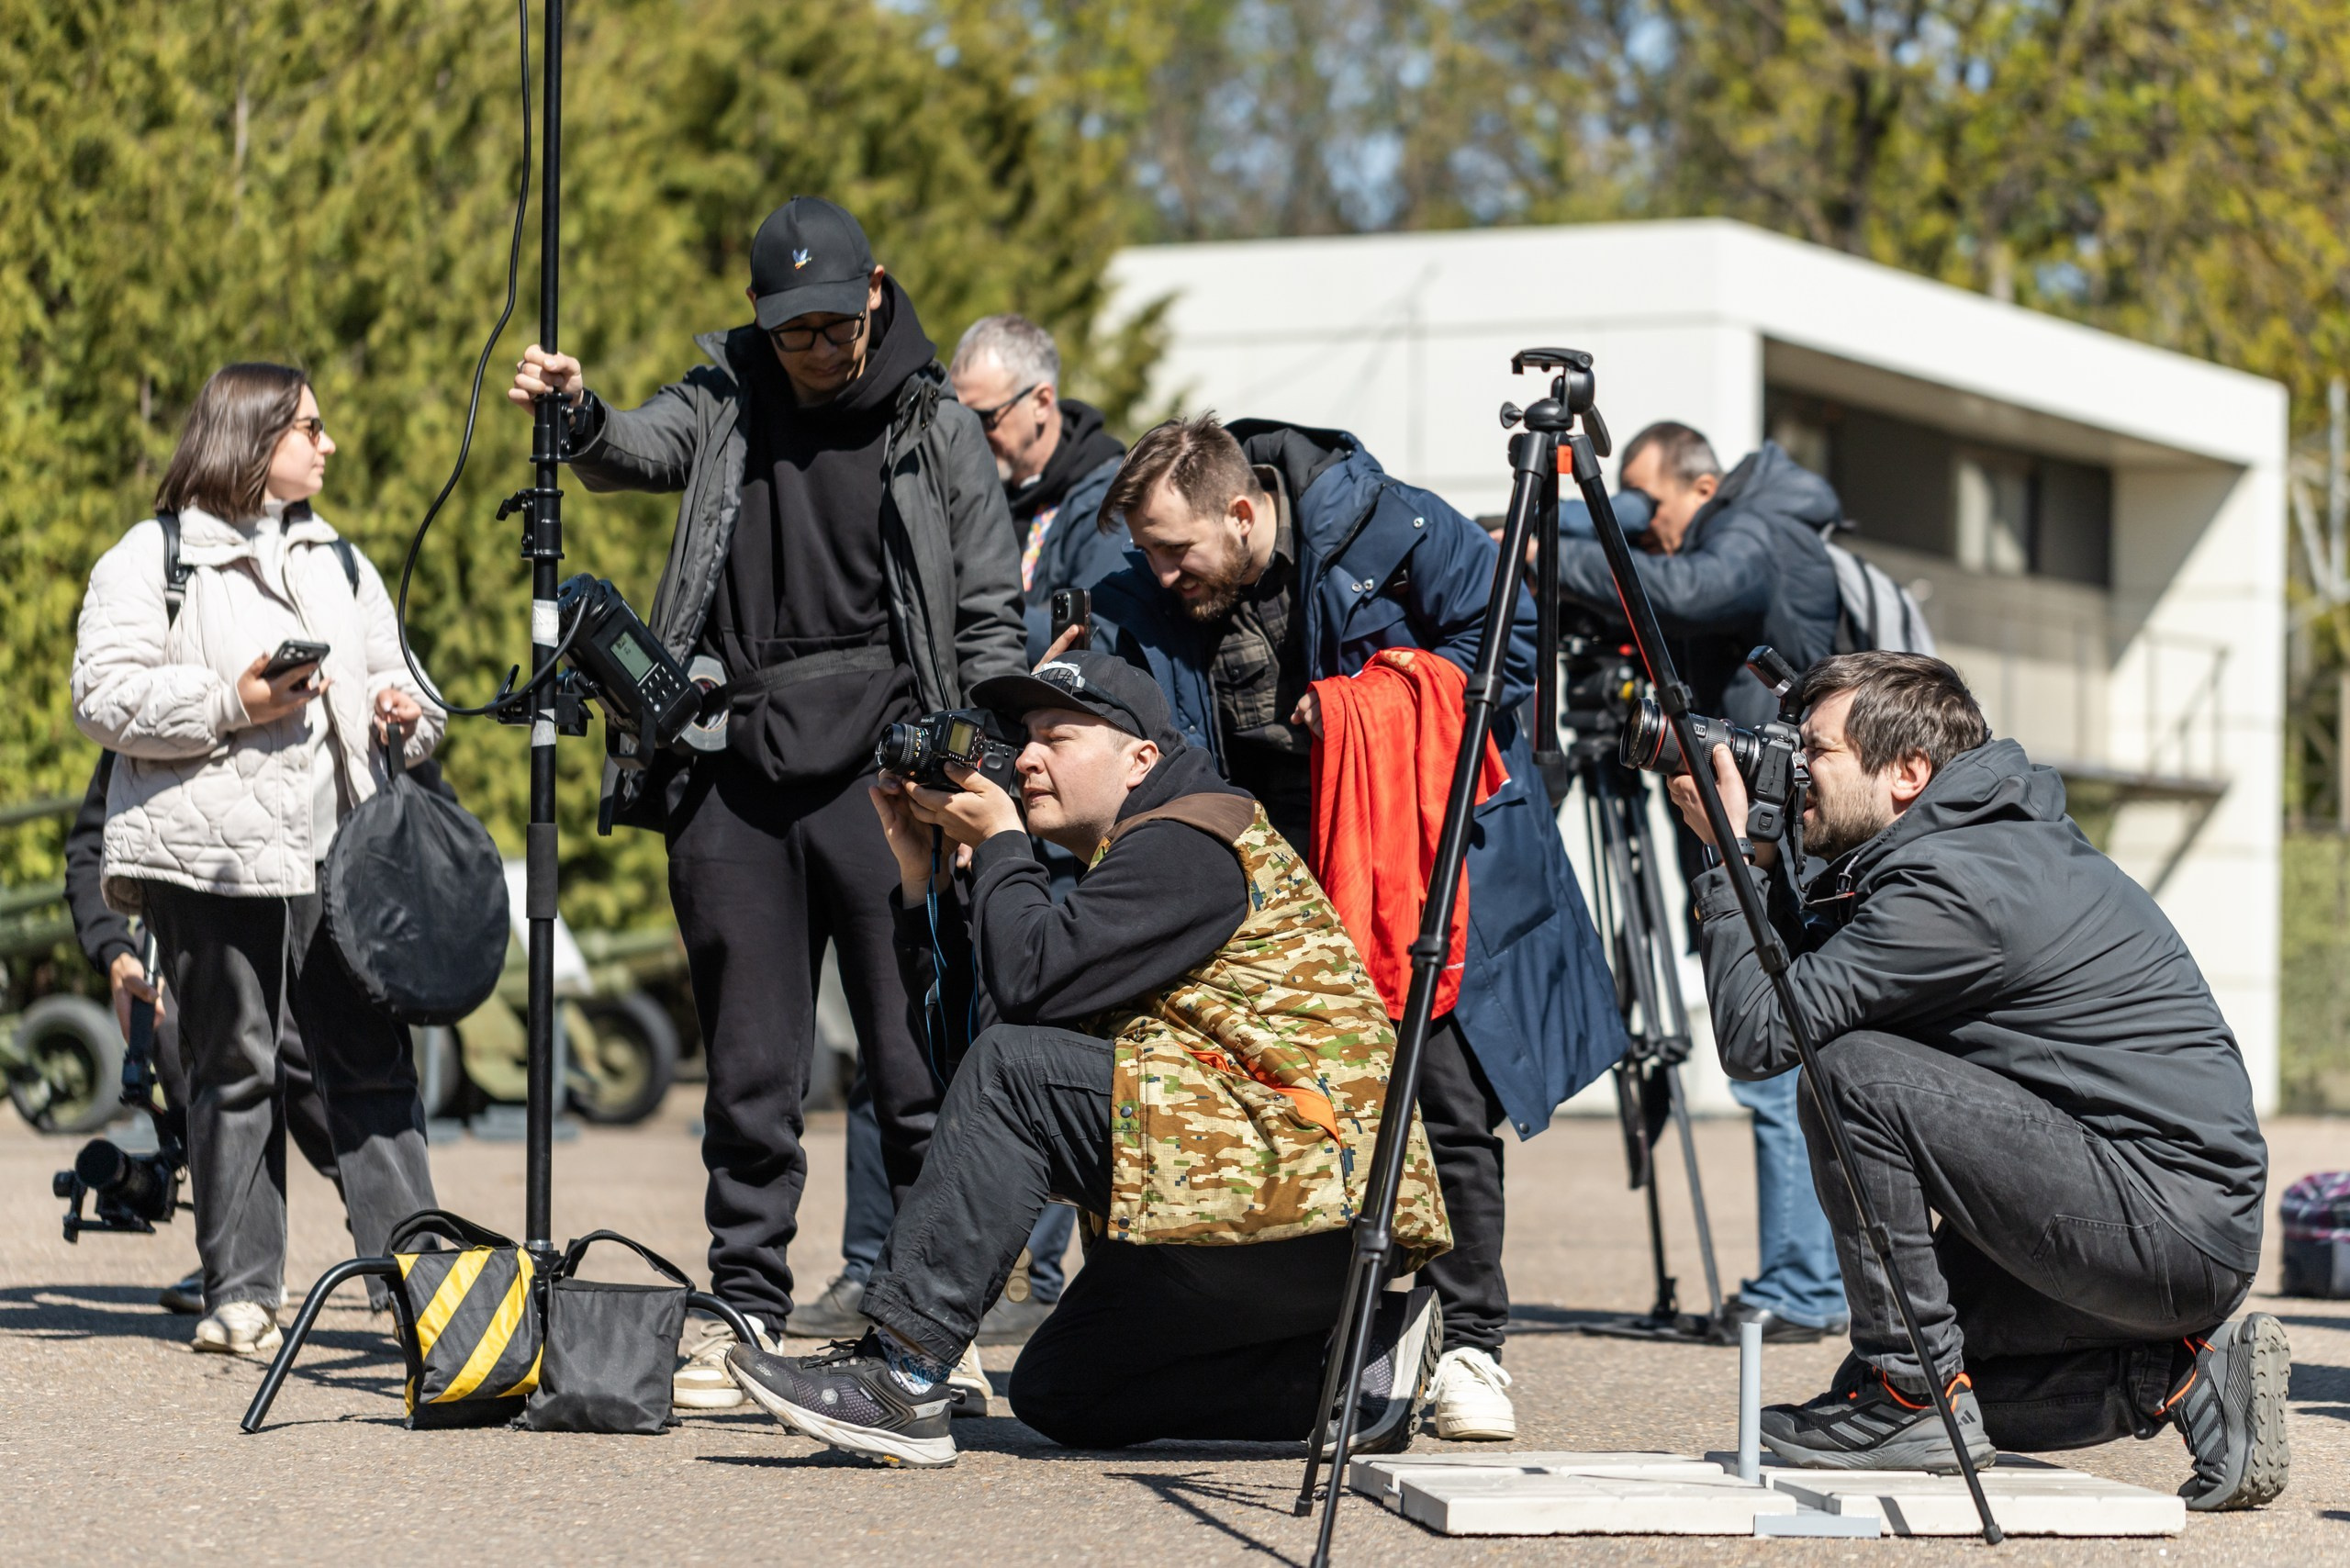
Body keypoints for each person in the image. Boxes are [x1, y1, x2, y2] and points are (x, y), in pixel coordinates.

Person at [506, 196, 1025, 1407]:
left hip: (886, 777)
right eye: (794, 330)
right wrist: (577, 413)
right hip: (732, 769)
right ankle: (744, 1304)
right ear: (759, 316)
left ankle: (928, 1324)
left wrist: (978, 772)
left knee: (911, 1068)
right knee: (748, 1071)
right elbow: (632, 449)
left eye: (836, 324)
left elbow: (990, 613)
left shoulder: (934, 424)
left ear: (875, 293)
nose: (818, 348)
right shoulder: (726, 397)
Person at [724, 649, 1450, 1466]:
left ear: (1140, 759)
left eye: (1057, 737)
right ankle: (1360, 1374)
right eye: (1025, 738)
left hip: (1308, 1192)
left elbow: (1026, 1008)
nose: (1026, 760)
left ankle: (904, 1377)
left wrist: (1003, 844)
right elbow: (972, 1065)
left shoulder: (1196, 839)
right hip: (1261, 1206)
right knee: (1065, 1387)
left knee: (1017, 1073)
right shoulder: (1131, 859)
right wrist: (923, 882)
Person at [1080, 414, 1628, 1441]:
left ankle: (1470, 1344)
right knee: (1287, 1106)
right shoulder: (1141, 597)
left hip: (1416, 854)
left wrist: (1368, 704)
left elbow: (1510, 646)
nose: (1160, 573)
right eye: (1148, 551)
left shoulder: (1398, 526)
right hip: (1260, 877)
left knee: (1443, 1096)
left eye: (1176, 549)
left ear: (1242, 513)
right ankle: (1338, 1336)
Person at [1672, 651, 2285, 1510]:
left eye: (1816, 752)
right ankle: (2176, 1380)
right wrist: (1763, 857)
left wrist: (1731, 859)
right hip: (2164, 1220)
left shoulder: (1955, 887)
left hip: (2162, 1220)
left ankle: (1909, 1401)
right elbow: (1799, 988)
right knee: (1908, 1371)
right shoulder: (1958, 847)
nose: (1794, 769)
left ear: (1908, 773)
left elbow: (1764, 1033)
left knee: (1849, 1074)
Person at [71, 363, 442, 1357]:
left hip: (338, 857)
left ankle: (422, 1285)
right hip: (210, 859)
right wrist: (232, 700)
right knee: (232, 1067)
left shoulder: (342, 560)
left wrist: (404, 712)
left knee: (372, 1070)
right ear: (252, 435)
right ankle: (240, 1293)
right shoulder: (151, 558)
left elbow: (409, 685)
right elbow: (101, 696)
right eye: (309, 429)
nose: (328, 445)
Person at [1555, 421, 1850, 1346]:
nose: (1646, 528)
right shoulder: (1738, 529)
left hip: (1777, 832)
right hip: (1755, 825)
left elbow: (1684, 591)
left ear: (1704, 486)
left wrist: (1540, 552)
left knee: (1778, 1052)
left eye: (1651, 504)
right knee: (1783, 1049)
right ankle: (1808, 1277)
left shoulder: (1754, 530)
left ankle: (1803, 1287)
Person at [63, 752, 346, 1316]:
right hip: (212, 933)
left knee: (318, 1055)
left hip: (312, 920)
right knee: (178, 1022)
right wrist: (117, 955)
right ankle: (238, 1261)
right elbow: (91, 847)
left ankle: (392, 1234)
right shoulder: (151, 721)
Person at [946, 313, 1128, 666]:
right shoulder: (973, 490)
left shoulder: (1106, 503)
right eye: (959, 419)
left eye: (984, 418)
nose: (969, 435)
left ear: (1042, 402)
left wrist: (971, 609)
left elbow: (1101, 640)